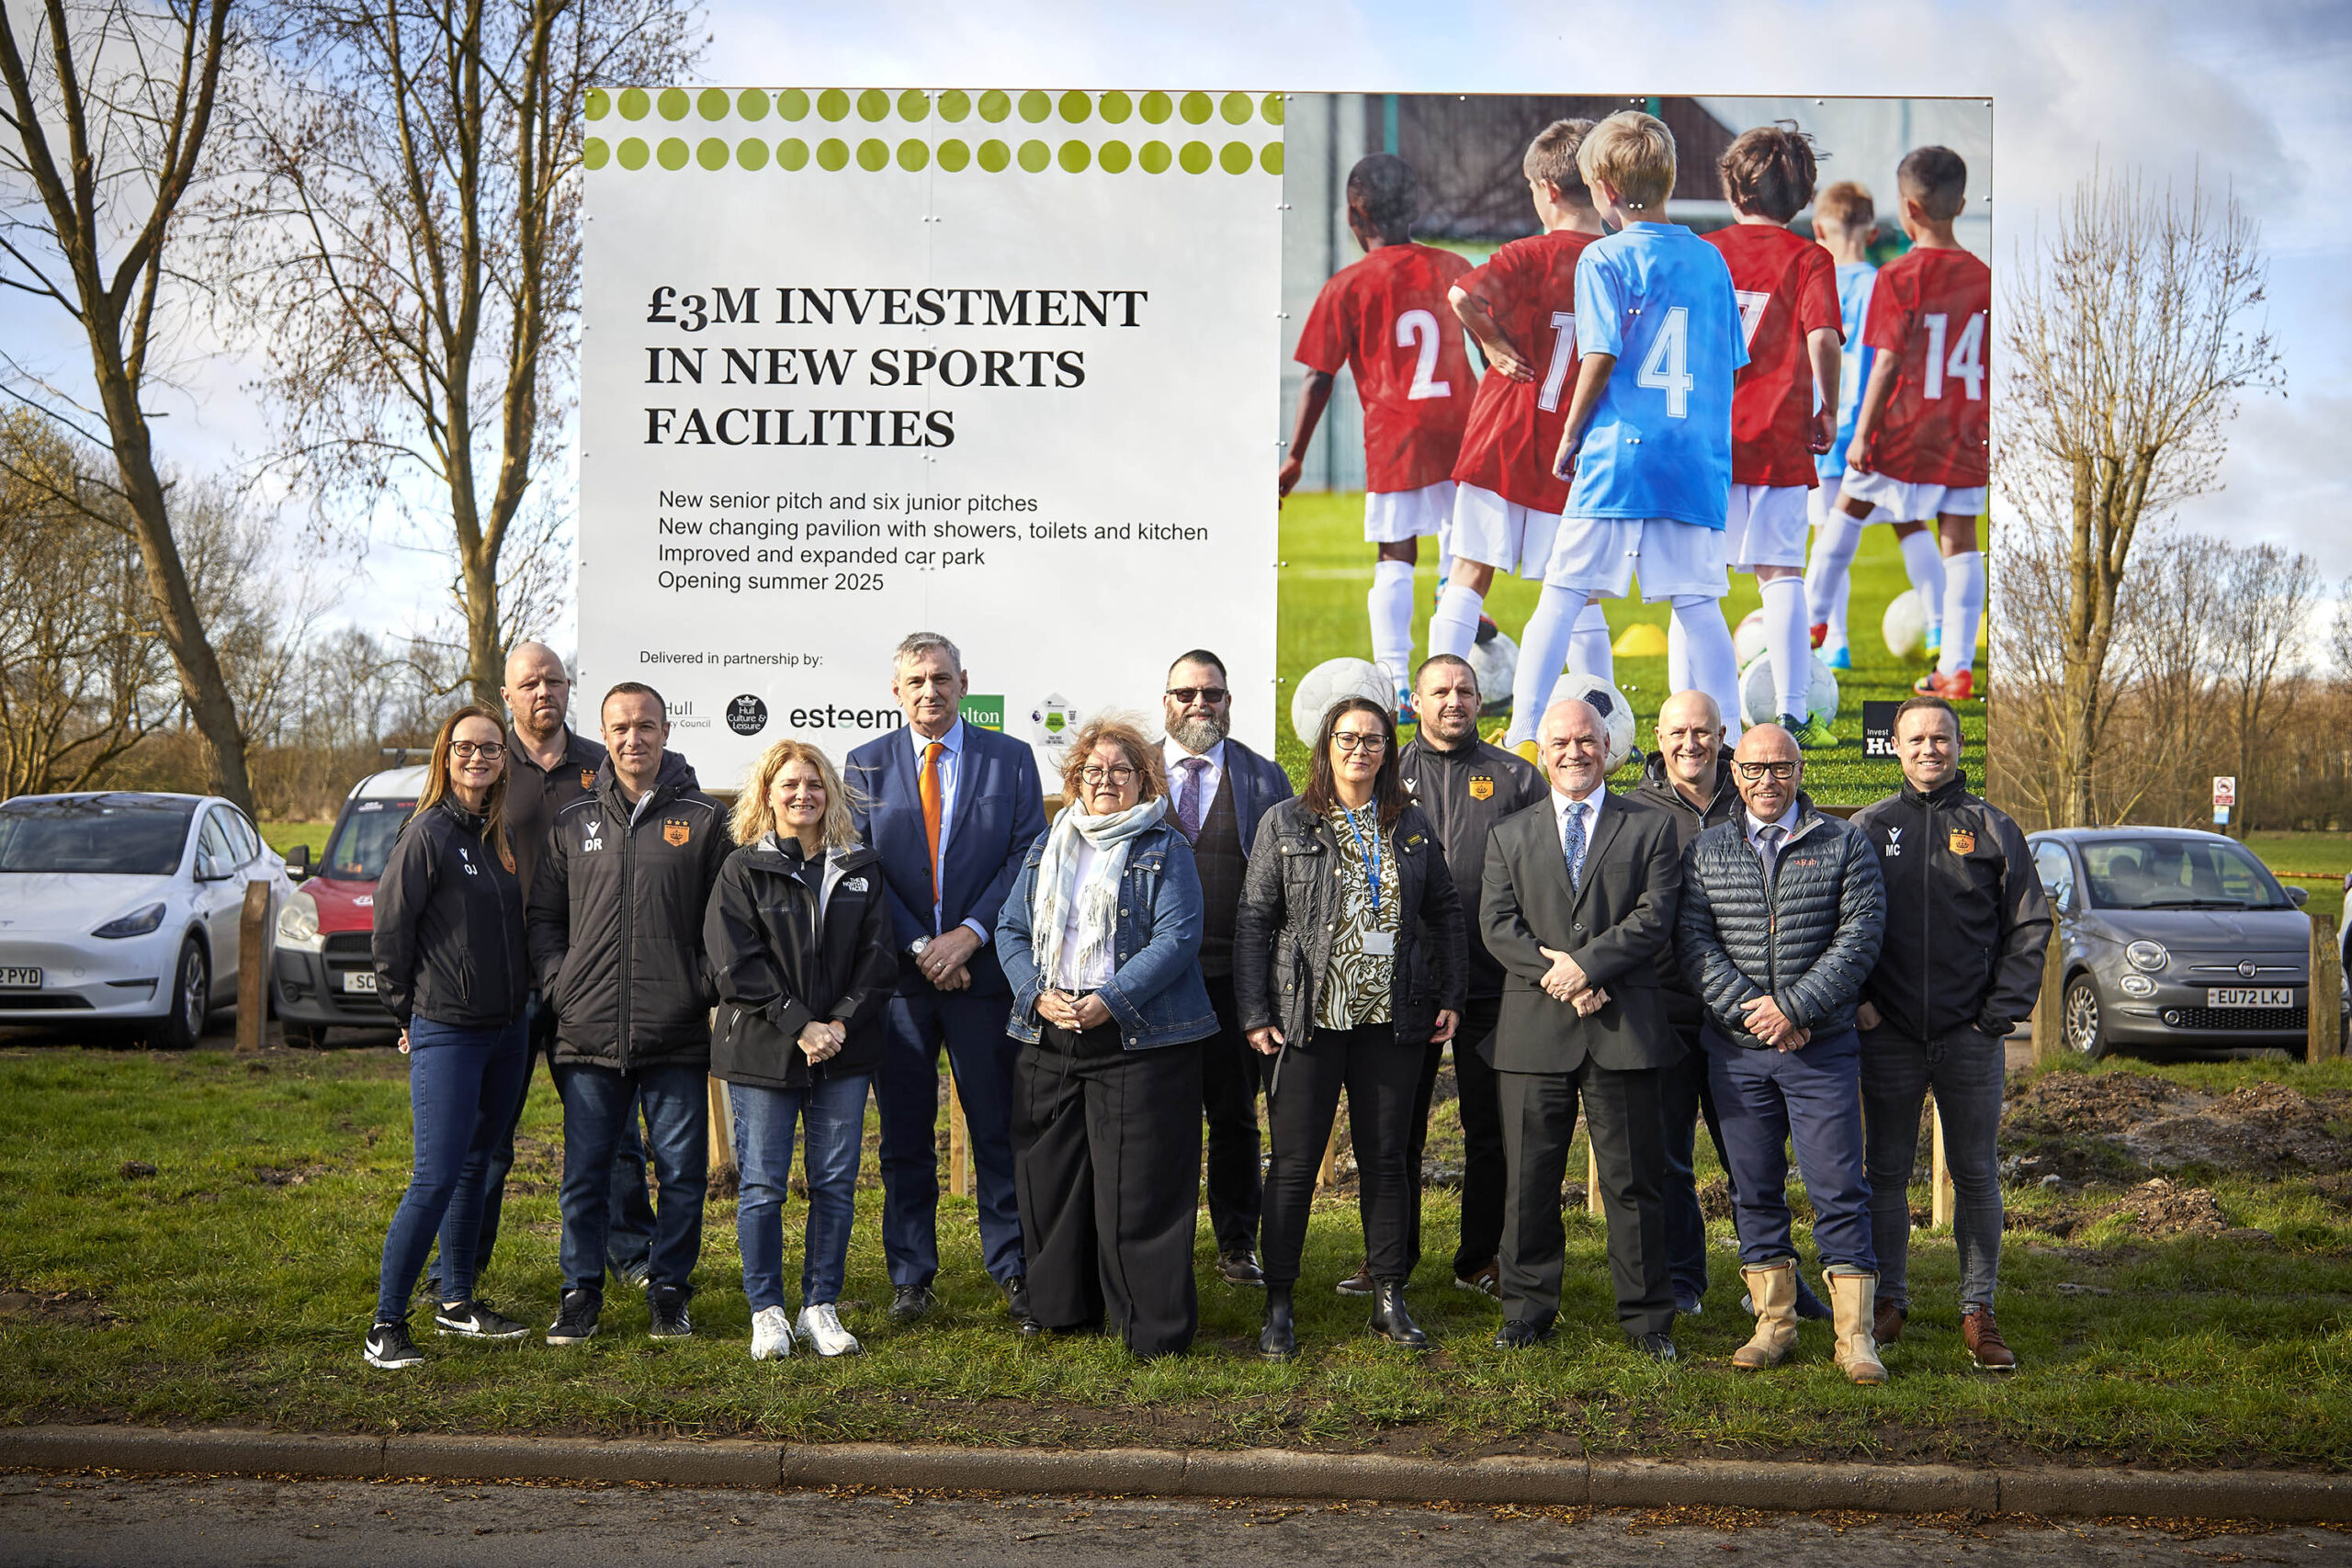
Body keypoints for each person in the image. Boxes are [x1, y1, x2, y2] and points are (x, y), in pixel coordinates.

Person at [1504, 110, 1748, 754]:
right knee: (1699, 604)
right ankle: (1735, 743)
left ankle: (1525, 735)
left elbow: (1601, 354)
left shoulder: (1602, 257)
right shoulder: (1711, 259)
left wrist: (1570, 434)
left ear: (1605, 190)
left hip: (1621, 454)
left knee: (1561, 594)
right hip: (1695, 460)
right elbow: (1730, 361)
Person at [1235, 697, 1465, 1359]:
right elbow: (1255, 919)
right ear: (1326, 745)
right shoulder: (1287, 821)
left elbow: (1445, 909)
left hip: (1390, 1021)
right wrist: (1255, 1013)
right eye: (1348, 736)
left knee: (1388, 1160)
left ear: (1389, 751)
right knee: (1295, 1164)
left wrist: (1450, 991)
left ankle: (1388, 1295)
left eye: (1373, 739)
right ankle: (1278, 1301)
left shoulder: (1410, 823)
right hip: (1307, 1020)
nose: (1361, 748)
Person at [997, 716, 1217, 1358]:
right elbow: (1010, 930)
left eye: (1121, 770)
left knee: (1140, 1189)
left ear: (1144, 780)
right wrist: (1036, 994)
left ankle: (1152, 1330)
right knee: (1052, 1181)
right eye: (1093, 770)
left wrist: (1109, 1001)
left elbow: (1177, 938)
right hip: (1051, 1034)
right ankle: (1062, 1309)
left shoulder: (1164, 847)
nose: (1106, 781)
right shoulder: (1048, 844)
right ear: (1075, 780)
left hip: (1138, 1041)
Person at [846, 633, 1047, 1330]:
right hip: (902, 982)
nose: (929, 691)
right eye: (915, 681)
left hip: (983, 976)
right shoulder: (864, 765)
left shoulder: (1011, 759)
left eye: (940, 678)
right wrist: (923, 944)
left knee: (998, 1127)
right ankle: (910, 1276)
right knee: (905, 1135)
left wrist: (970, 934)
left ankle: (1015, 1266)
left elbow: (1027, 855)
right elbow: (862, 864)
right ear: (895, 690)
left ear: (964, 682)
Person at [1678, 724, 1888, 1384]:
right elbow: (1694, 943)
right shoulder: (1707, 851)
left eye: (1781, 768)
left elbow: (1860, 936)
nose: (1767, 780)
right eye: (1755, 769)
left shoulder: (1844, 842)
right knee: (1754, 1188)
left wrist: (1794, 1008)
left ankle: (1855, 1338)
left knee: (1840, 1190)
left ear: (1800, 772)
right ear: (1735, 774)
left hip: (1820, 1050)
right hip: (1738, 1054)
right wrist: (1755, 1010)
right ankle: (1774, 1323)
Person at [527, 682, 731, 1345]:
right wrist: (559, 984)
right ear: (605, 734)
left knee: (680, 1174)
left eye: (645, 726)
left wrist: (699, 984)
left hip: (673, 1033)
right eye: (620, 727)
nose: (632, 738)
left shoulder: (703, 820)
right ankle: (579, 1293)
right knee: (585, 1176)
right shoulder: (573, 822)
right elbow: (544, 921)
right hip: (586, 1035)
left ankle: (670, 1290)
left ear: (666, 731)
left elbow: (725, 924)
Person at [1479, 698, 1683, 1358]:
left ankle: (1649, 1318)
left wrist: (1588, 968)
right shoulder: (1509, 833)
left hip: (1621, 1027)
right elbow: (1498, 925)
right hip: (1534, 1033)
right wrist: (1560, 979)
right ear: (1543, 750)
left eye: (1586, 740)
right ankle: (1527, 1309)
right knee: (1528, 1180)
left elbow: (1655, 916)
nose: (1574, 751)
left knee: (1632, 1182)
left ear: (1608, 746)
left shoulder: (1649, 828)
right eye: (1561, 741)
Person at [1853, 695, 2051, 1371]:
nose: (1928, 748)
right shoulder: (1870, 828)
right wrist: (1862, 1005)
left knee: (1975, 1174)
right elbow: (1839, 926)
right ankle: (1889, 1303)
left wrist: (1997, 1015)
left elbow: (2029, 927)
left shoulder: (1995, 828)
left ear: (1959, 745)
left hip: (1971, 1038)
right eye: (1916, 738)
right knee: (1884, 1173)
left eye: (1941, 737)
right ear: (1896, 747)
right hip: (1889, 1035)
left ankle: (1978, 1308)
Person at [461, 641, 654, 1302]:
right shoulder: (488, 764)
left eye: (554, 680)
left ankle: (633, 1253)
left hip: (595, 980)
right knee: (488, 1137)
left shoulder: (603, 765)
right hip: (507, 982)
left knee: (615, 1135)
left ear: (570, 688)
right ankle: (462, 1264)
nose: (543, 691)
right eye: (529, 683)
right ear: (507, 695)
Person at [1633, 690, 1832, 1325]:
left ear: (1724, 736)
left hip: (1747, 1018)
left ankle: (1775, 1280)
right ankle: (1684, 1280)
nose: (1690, 743)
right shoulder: (1632, 811)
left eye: (1703, 731)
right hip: (1661, 1010)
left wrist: (1781, 1004)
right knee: (1668, 1157)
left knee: (1754, 1160)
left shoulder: (1753, 794)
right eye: (1678, 732)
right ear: (1658, 738)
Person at [706, 739, 897, 1361]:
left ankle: (820, 1305)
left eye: (814, 784)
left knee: (835, 1184)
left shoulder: (860, 865)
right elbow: (735, 963)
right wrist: (800, 1023)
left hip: (842, 1048)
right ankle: (767, 1310)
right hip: (764, 1050)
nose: (802, 794)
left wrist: (836, 1023)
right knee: (763, 1185)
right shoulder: (742, 867)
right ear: (767, 792)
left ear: (830, 793)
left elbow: (878, 960)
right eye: (789, 783)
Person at [363, 705, 533, 1369]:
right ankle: (385, 1325)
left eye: (490, 749)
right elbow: (389, 931)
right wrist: (404, 1013)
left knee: (473, 1163)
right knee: (434, 1175)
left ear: (501, 762)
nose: (478, 758)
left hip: (506, 1030)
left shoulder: (496, 835)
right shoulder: (427, 833)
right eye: (466, 747)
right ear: (446, 754)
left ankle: (457, 1301)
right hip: (448, 1030)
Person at [1279, 152, 1476, 712]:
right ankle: (1451, 672)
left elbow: (1319, 377)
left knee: (1396, 554)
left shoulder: (1347, 285)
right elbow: (1491, 348)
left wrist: (1295, 457)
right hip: (1461, 429)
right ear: (1415, 209)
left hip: (1396, 436)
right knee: (1462, 553)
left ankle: (1393, 679)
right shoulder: (1455, 266)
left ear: (1353, 217)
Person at [1429, 119, 1608, 675]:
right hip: (1577, 444)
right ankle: (1601, 709)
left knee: (1469, 571)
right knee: (1579, 591)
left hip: (1504, 432)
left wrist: (1495, 344)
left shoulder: (1527, 253)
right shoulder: (1619, 258)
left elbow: (1462, 294)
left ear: (1548, 190)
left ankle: (1436, 696)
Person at [1390, 653, 1544, 1301]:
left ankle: (1480, 1255)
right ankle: (1388, 1257)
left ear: (1482, 701)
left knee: (1491, 1127)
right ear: (1416, 702)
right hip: (1406, 981)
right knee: (1396, 1125)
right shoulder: (1385, 769)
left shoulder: (1516, 777)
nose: (1453, 700)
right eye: (1440, 691)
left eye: (1465, 690)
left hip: (1494, 981)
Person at [1704, 124, 1844, 750]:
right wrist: (1829, 408)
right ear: (1803, 195)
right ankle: (1793, 712)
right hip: (1781, 433)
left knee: (1699, 583)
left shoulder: (1705, 250)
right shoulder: (1810, 258)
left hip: (1706, 439)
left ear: (1733, 189)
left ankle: (1705, 714)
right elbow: (1823, 337)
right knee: (1782, 574)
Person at [1832, 146, 1990, 703]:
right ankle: (1956, 668)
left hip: (1902, 429)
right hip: (1964, 431)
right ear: (1961, 204)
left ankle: (1811, 633)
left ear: (1907, 210)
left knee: (1844, 517)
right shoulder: (1987, 278)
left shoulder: (1898, 276)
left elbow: (1889, 363)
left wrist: (1862, 432)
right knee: (1961, 543)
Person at [1160, 651, 1295, 1288]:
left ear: (1229, 700)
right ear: (1166, 702)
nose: (1198, 703)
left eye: (1210, 693)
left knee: (1236, 1115)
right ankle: (1162, 1236)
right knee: (1162, 1116)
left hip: (1234, 980)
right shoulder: (1135, 772)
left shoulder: (1264, 777)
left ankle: (1238, 1242)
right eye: (1185, 692)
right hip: (1152, 984)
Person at [1802, 181, 1884, 671]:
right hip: (1866, 425)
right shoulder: (1884, 284)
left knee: (1824, 533)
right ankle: (1834, 640)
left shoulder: (1818, 279)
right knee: (1841, 533)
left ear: (1818, 229)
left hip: (1823, 422)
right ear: (1872, 232)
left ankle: (1832, 638)